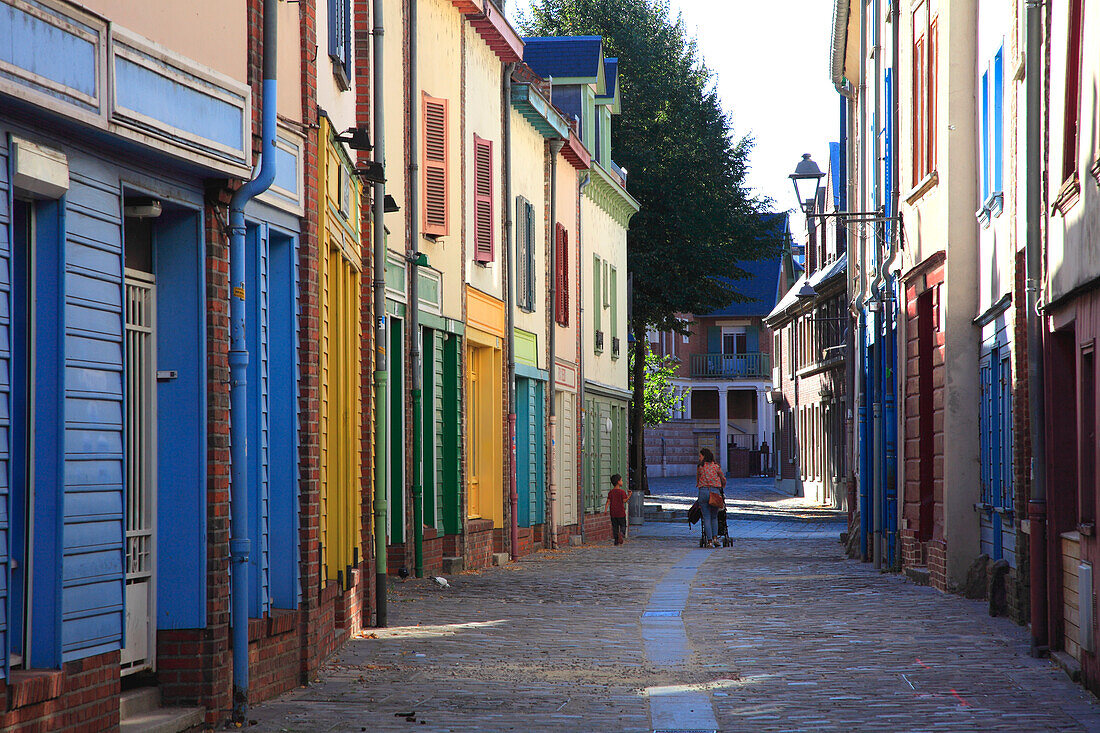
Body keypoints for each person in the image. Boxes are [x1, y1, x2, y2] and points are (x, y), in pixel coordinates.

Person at [697, 448, 726, 548]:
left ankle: (709, 541)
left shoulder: (700, 467)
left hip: (704, 492)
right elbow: (723, 478)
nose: (699, 458)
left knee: (706, 518)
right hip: (715, 492)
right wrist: (722, 485)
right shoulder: (716, 467)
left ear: (704, 456)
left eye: (700, 456)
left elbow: (697, 480)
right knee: (714, 517)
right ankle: (715, 538)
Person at [603, 474, 631, 545]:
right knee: (623, 525)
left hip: (613, 512)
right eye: (621, 480)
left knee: (615, 527)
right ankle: (621, 534)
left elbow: (608, 501)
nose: (622, 482)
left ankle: (616, 540)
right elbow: (624, 501)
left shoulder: (611, 492)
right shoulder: (622, 492)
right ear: (618, 482)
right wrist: (629, 495)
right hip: (621, 512)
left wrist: (605, 510)